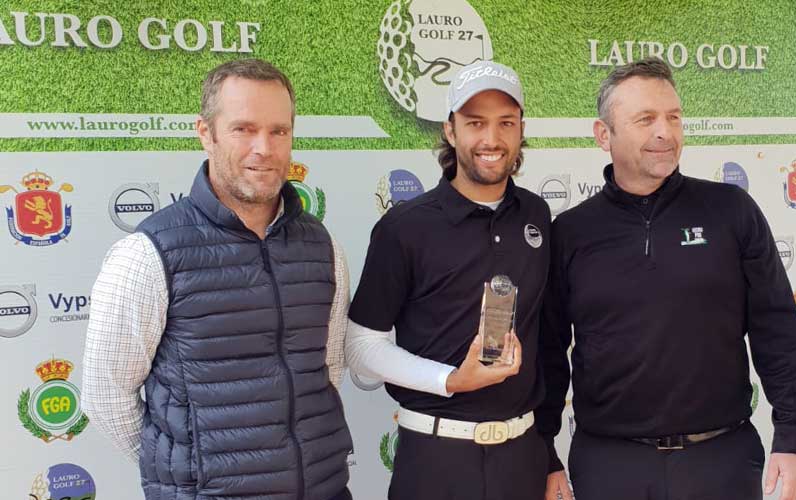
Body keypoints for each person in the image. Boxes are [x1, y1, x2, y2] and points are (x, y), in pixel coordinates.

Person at [537, 57, 796, 500]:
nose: (665, 131)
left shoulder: (731, 211)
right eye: (645, 119)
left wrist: (794, 439)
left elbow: (777, 329)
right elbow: (548, 354)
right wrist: (545, 456)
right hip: (609, 467)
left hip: (722, 461)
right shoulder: (570, 232)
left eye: (674, 117)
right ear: (603, 135)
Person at [82, 58, 353, 500]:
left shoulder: (321, 245)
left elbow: (329, 369)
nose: (264, 147)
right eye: (243, 129)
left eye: (279, 131)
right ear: (205, 133)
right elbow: (105, 398)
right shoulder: (147, 254)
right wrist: (188, 471)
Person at [346, 60, 551, 500]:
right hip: (435, 459)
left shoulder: (537, 215)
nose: (492, 140)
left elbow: (548, 338)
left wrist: (550, 458)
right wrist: (452, 379)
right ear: (451, 130)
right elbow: (361, 350)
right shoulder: (405, 227)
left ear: (520, 131)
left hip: (524, 459)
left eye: (505, 123)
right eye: (475, 123)